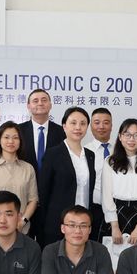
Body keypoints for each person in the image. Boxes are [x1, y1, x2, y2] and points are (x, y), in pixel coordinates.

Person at [37, 107, 96, 246]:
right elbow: (43, 193)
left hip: (83, 224)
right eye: (73, 123)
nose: (78, 127)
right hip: (59, 224)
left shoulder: (90, 155)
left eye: (83, 123)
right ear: (64, 126)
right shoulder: (52, 154)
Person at [101, 118, 137, 245]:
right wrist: (114, 226)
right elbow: (106, 196)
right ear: (120, 137)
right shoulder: (110, 162)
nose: (131, 139)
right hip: (115, 215)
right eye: (127, 135)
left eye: (136, 135)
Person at [0, 121, 39, 235]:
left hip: (21, 229)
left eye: (15, 138)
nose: (11, 141)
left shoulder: (28, 168)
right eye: (6, 137)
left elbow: (33, 200)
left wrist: (22, 222)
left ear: (20, 141)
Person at [18, 89, 65, 175]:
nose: (40, 103)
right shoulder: (18, 131)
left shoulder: (62, 132)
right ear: (28, 106)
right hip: (25, 180)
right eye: (35, 101)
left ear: (50, 105)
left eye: (44, 100)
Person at [84, 107, 113, 240]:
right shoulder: (84, 151)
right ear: (91, 126)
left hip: (116, 209)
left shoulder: (120, 151)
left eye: (106, 122)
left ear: (111, 126)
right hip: (93, 210)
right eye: (97, 122)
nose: (101, 126)